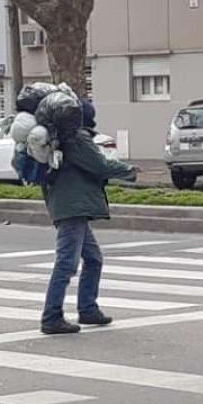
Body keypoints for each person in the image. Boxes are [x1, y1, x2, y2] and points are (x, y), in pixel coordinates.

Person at [38, 100, 138, 335]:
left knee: (93, 259)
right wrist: (128, 171)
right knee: (66, 263)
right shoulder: (76, 139)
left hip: (69, 204)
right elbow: (99, 164)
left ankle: (88, 309)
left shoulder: (61, 137)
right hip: (73, 206)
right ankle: (51, 316)